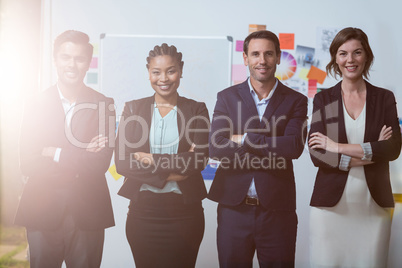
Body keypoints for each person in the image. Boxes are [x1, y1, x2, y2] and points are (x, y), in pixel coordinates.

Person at [14, 30, 116, 267]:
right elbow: (28, 162)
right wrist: (80, 157)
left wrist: (54, 152)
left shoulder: (104, 105)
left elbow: (99, 164)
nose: (72, 64)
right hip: (42, 210)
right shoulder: (34, 104)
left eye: (79, 58)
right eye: (65, 57)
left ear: (88, 62)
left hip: (87, 212)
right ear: (55, 59)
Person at [208, 30, 308, 267]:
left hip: (277, 211)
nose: (262, 60)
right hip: (233, 209)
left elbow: (293, 147)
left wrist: (243, 139)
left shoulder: (296, 100)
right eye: (255, 54)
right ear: (245, 58)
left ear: (278, 57)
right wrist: (272, 143)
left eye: (268, 54)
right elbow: (216, 147)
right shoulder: (227, 97)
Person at [308, 27, 401, 267]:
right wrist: (372, 152)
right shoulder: (324, 99)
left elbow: (392, 149)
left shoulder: (384, 98)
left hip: (374, 207)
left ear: (367, 56)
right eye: (343, 53)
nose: (350, 60)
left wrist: (337, 146)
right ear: (335, 59)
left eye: (357, 52)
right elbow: (318, 155)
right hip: (330, 210)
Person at [115, 43, 209, 268]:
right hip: (143, 214)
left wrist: (151, 158)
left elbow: (199, 159)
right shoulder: (132, 109)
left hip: (185, 215)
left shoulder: (197, 110)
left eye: (171, 70)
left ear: (181, 71)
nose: (163, 78)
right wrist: (174, 173)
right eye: (156, 72)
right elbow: (122, 163)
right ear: (148, 73)